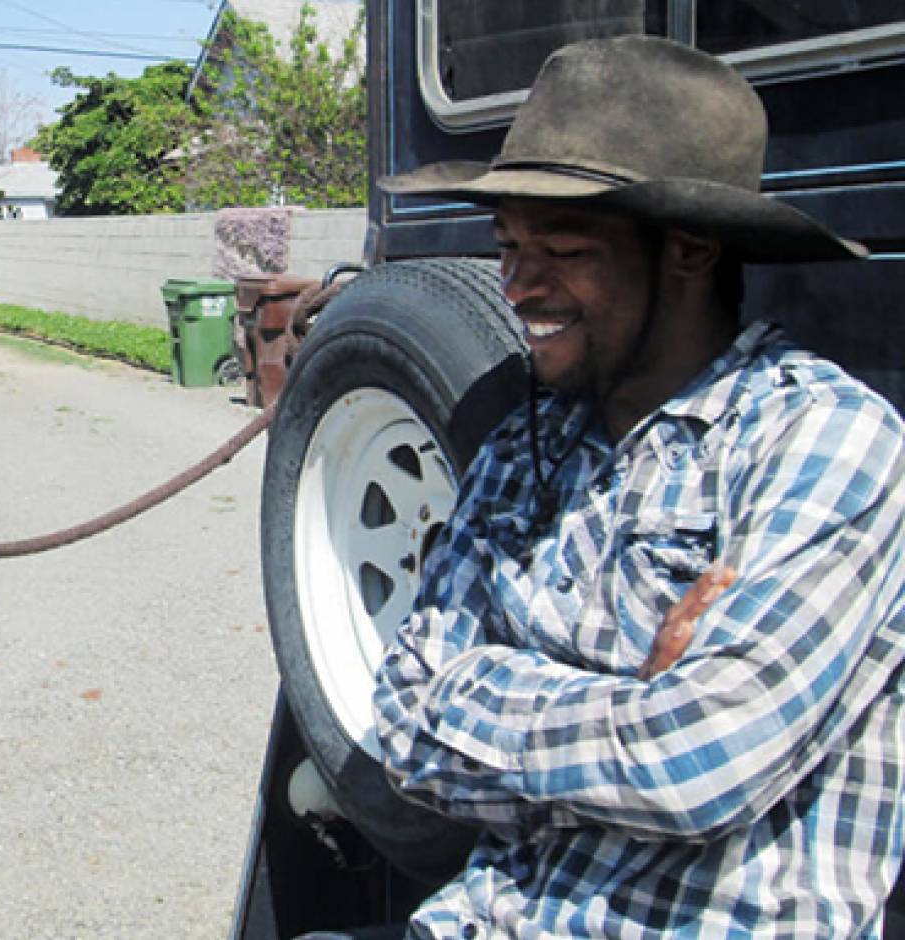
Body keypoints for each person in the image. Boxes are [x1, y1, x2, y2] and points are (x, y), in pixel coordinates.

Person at [357, 34, 905, 939]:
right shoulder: (523, 447)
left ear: (691, 253)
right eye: (508, 245)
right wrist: (634, 697)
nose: (517, 284)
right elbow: (403, 721)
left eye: (564, 248)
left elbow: (701, 764)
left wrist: (485, 684)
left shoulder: (823, 441)